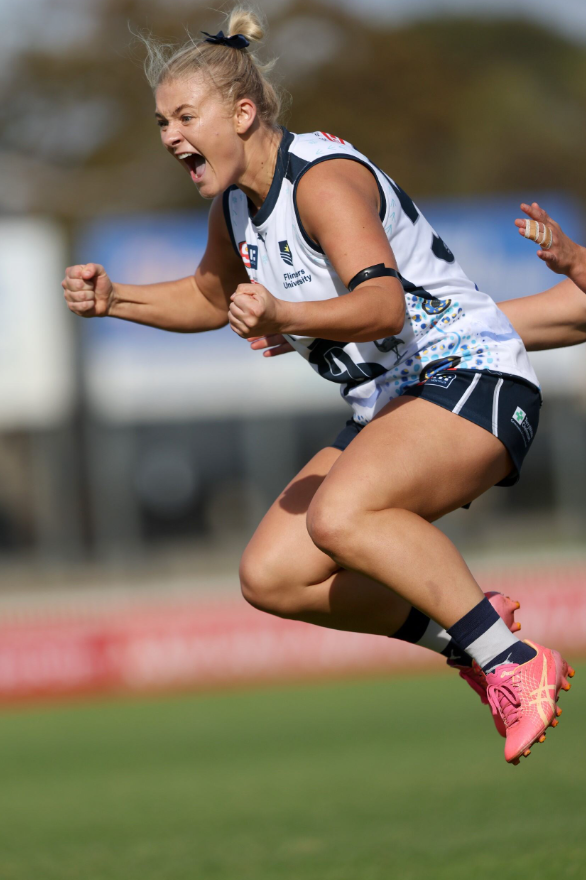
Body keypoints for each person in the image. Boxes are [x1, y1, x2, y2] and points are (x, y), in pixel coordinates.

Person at [61, 8, 574, 764]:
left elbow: (383, 306)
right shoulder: (235, 208)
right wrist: (117, 300)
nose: (170, 136)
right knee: (273, 575)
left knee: (343, 514)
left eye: (185, 117)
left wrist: (286, 313)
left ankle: (512, 659)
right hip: (396, 401)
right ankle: (469, 631)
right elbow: (208, 296)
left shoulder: (322, 180)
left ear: (243, 114)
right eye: (162, 122)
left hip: (469, 372)